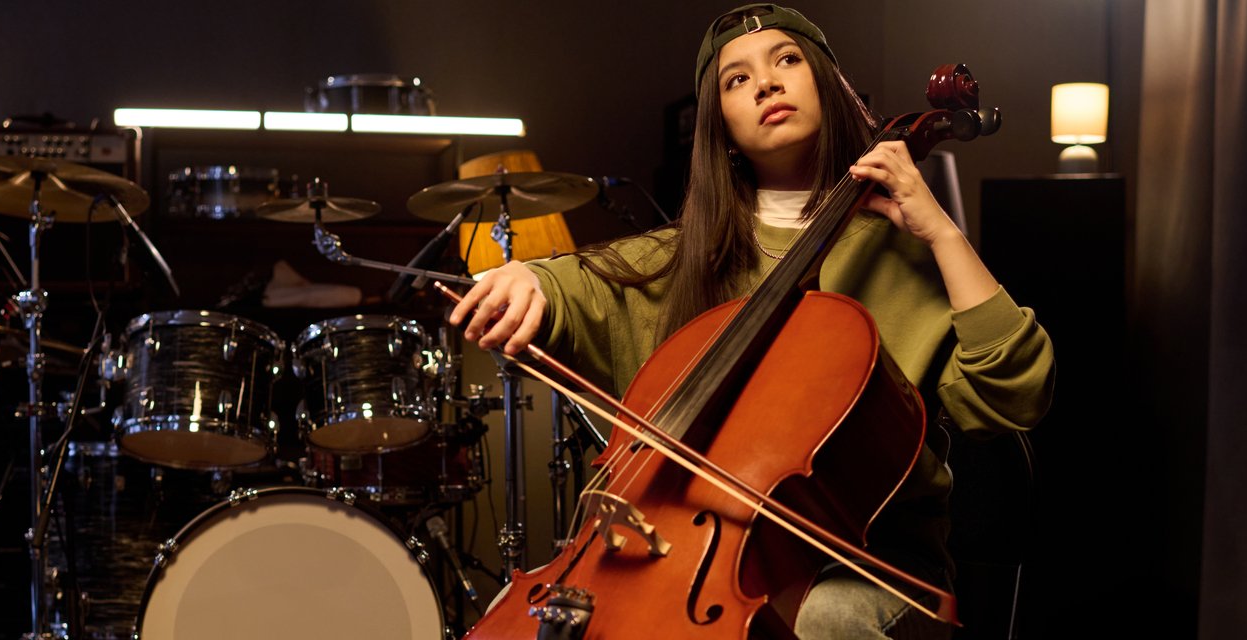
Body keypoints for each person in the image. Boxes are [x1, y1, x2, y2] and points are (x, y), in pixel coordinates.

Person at [448, 4, 1055, 638]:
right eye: (736, 79)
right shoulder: (684, 254)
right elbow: (577, 284)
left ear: (826, 82)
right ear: (724, 130)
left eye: (786, 60)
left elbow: (1016, 394)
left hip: (867, 566)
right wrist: (529, 279)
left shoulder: (900, 254)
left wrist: (940, 232)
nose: (765, 82)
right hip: (690, 562)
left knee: (830, 618)